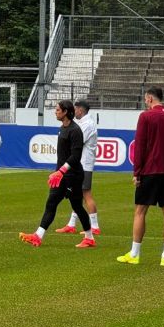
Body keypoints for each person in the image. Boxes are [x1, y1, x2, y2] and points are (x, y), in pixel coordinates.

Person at [116, 86, 164, 266]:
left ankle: (135, 253)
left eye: (146, 99)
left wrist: (137, 172)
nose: (145, 102)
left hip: (150, 170)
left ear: (150, 98)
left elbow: (140, 145)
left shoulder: (145, 117)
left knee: (140, 211)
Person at [19, 100, 95, 249]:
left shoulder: (75, 130)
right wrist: (57, 172)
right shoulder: (63, 128)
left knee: (77, 206)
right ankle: (38, 236)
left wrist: (61, 171)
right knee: (51, 203)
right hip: (62, 175)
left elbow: (75, 156)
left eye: (58, 109)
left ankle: (89, 238)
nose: (55, 111)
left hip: (73, 176)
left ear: (66, 112)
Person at [56, 98, 101, 235]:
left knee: (86, 193)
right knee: (77, 195)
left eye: (75, 109)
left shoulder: (87, 124)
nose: (73, 112)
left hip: (84, 164)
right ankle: (72, 223)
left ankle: (94, 225)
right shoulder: (84, 123)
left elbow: (78, 142)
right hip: (81, 164)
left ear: (80, 110)